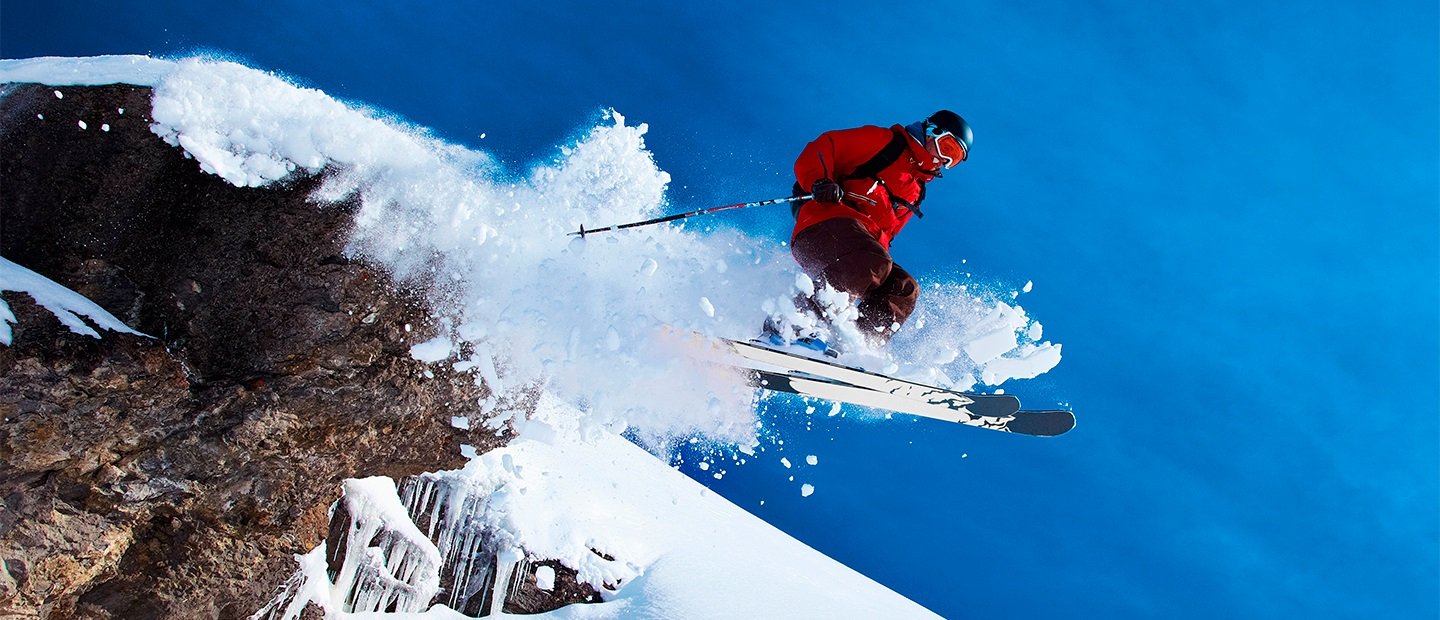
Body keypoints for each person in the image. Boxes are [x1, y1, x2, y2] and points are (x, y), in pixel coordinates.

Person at [769, 110, 973, 351]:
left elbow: (885, 238)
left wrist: (877, 275)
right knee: (874, 262)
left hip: (859, 250)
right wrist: (819, 181)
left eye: (954, 159)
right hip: (823, 223)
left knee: (904, 287)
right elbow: (824, 147)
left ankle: (853, 345)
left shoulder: (915, 192)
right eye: (947, 148)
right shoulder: (886, 143)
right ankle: (791, 322)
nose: (945, 160)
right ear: (932, 132)